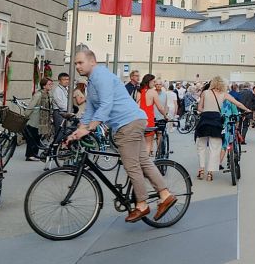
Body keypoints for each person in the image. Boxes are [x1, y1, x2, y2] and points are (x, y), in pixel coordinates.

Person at [67, 47, 176, 222]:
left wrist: (90, 128)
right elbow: (90, 110)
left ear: (92, 61)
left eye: (80, 62)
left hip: (127, 123)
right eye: (75, 64)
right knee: (143, 161)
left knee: (132, 166)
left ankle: (142, 205)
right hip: (132, 120)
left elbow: (106, 104)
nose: (77, 66)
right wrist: (78, 131)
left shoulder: (101, 76)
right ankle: (165, 195)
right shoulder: (92, 82)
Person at [24, 78, 54, 160]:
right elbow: (31, 106)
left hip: (41, 121)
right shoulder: (38, 95)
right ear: (44, 86)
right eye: (49, 84)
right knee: (32, 138)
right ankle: (30, 155)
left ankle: (34, 154)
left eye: (52, 84)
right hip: (35, 120)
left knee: (37, 137)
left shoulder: (47, 94)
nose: (51, 86)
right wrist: (26, 115)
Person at [134, 74, 158, 156]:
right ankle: (145, 160)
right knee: (148, 142)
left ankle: (139, 158)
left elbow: (137, 106)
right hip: (149, 119)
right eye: (153, 81)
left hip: (139, 119)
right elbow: (160, 107)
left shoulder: (139, 91)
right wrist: (165, 115)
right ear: (149, 81)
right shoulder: (153, 92)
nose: (154, 83)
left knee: (140, 142)